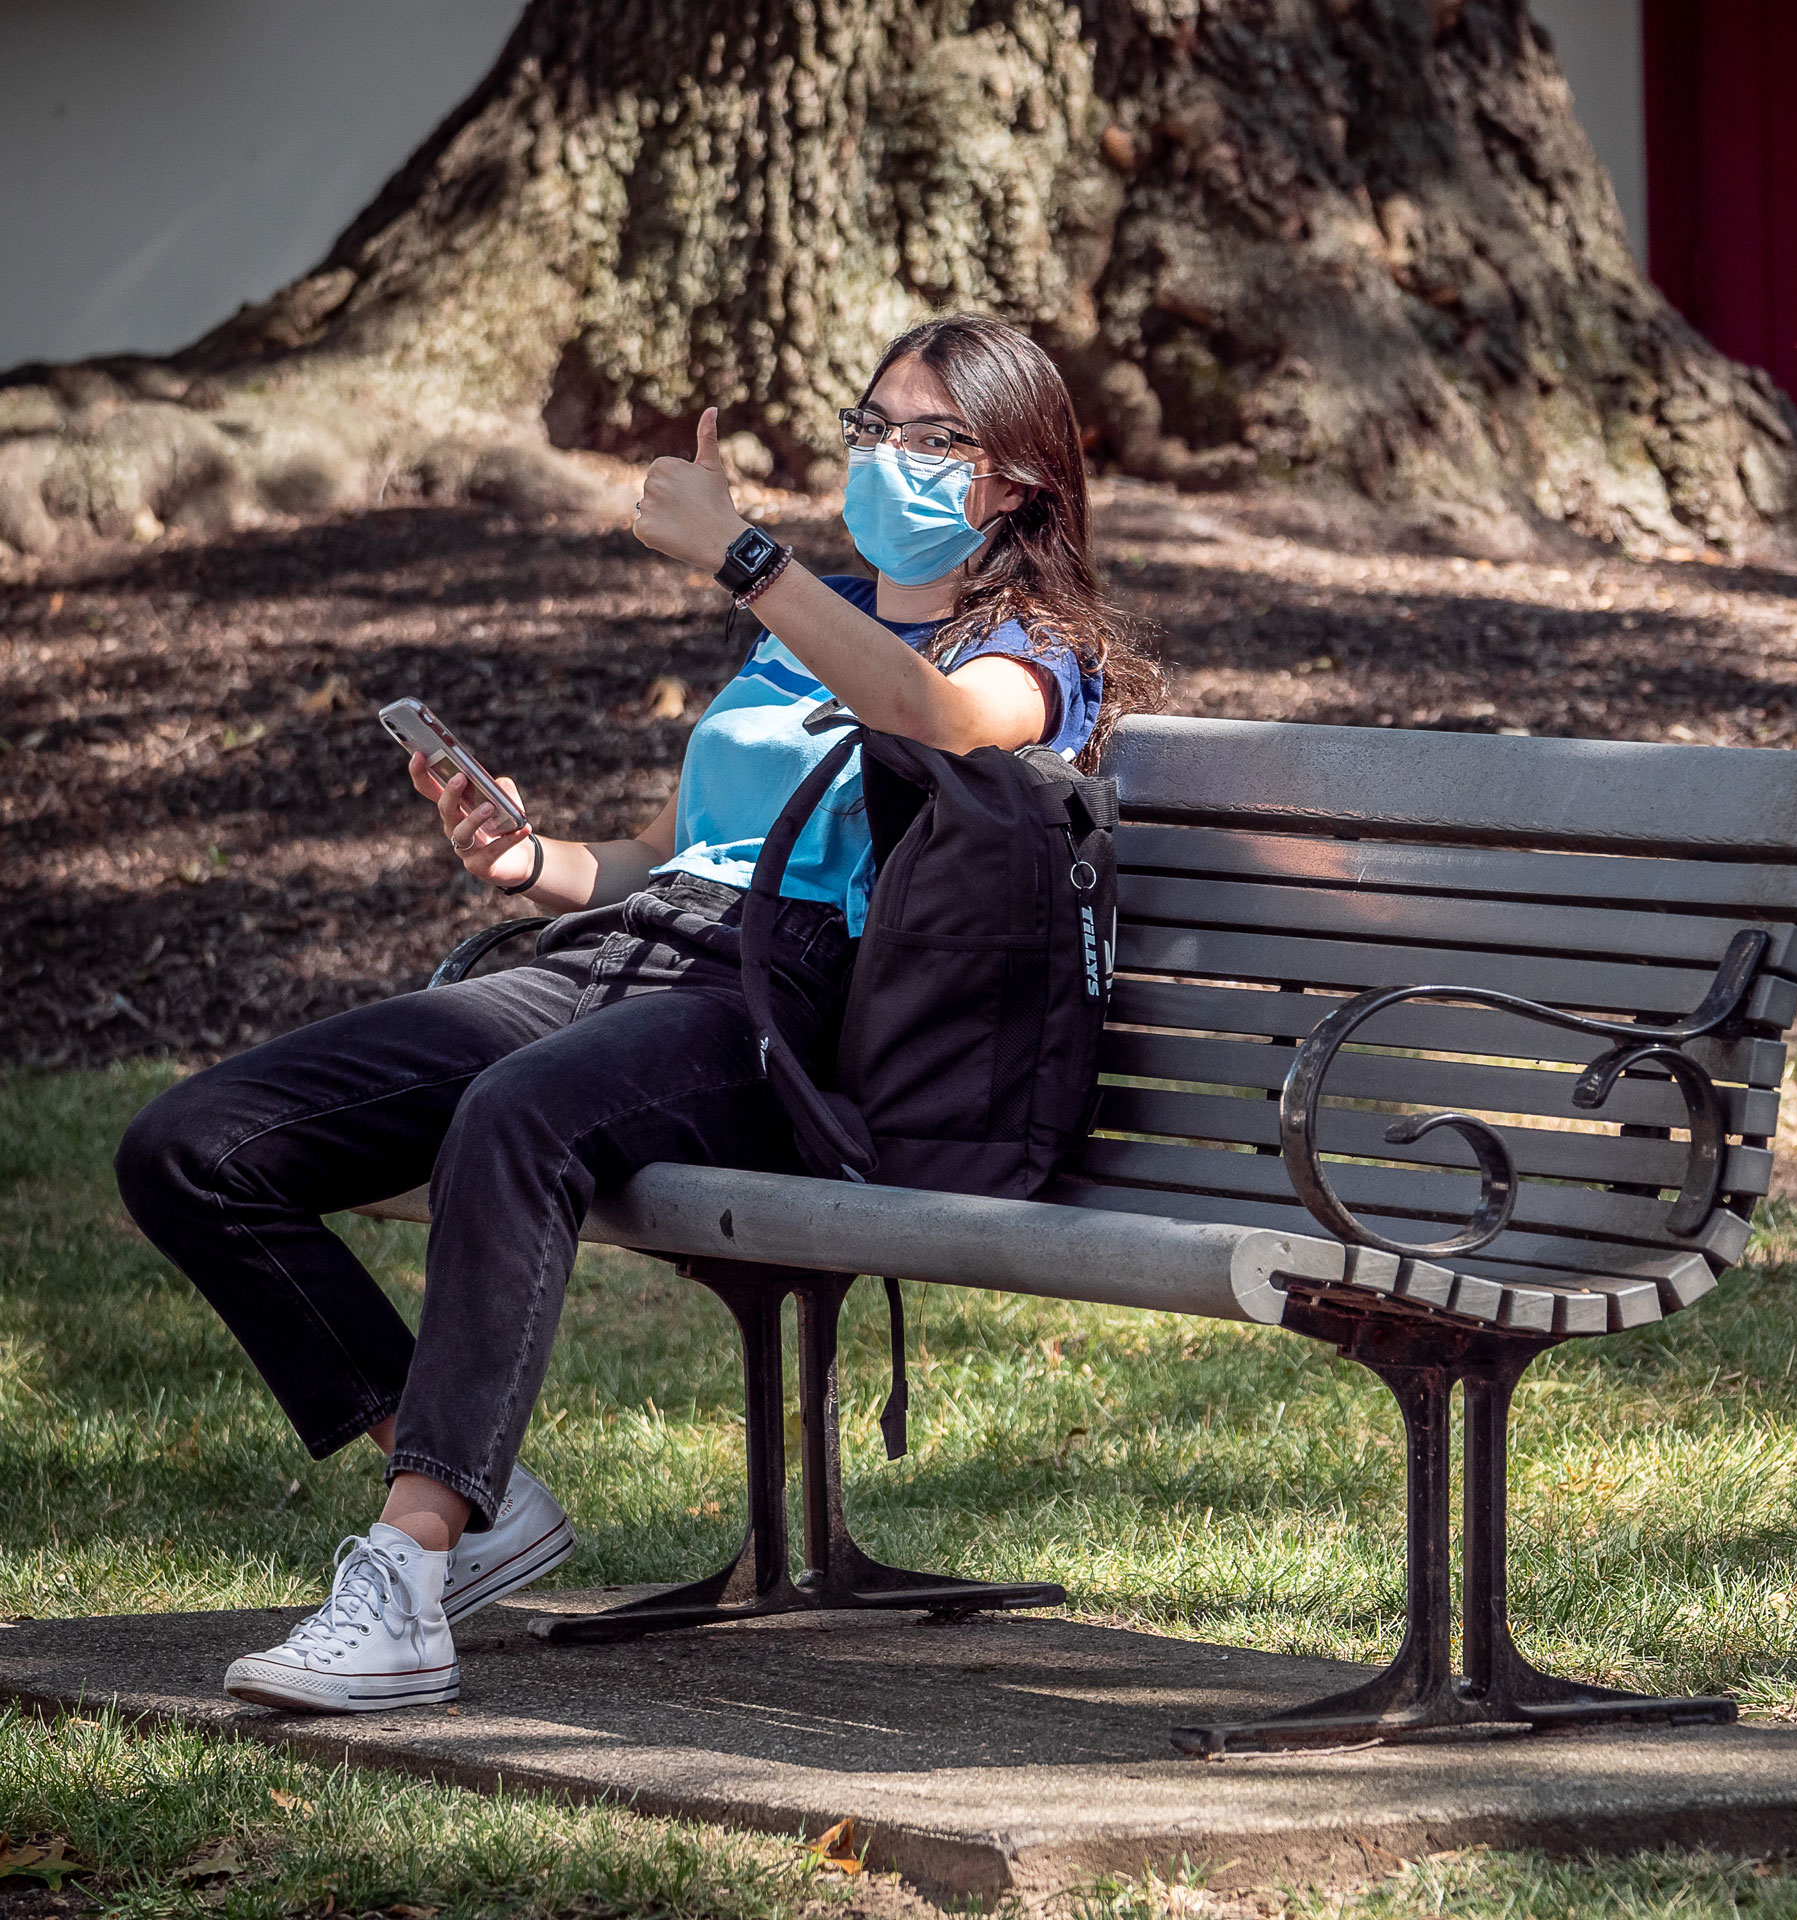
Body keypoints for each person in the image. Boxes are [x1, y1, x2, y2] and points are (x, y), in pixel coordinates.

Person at [115, 313, 1156, 1713]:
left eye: (935, 438)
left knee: (519, 1115)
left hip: (793, 1009)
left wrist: (744, 558)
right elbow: (675, 856)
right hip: (628, 949)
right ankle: (479, 1500)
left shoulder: (1028, 650)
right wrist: (531, 861)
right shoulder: (813, 624)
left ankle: (412, 1570)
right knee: (197, 1145)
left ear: (1018, 479)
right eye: (873, 429)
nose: (890, 459)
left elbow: (939, 725)